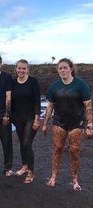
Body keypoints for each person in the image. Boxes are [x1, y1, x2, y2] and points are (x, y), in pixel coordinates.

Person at [42, 58, 93, 191]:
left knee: (74, 151)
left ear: (71, 69)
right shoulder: (54, 86)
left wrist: (90, 125)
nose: (63, 70)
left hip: (77, 123)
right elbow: (50, 106)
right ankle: (53, 177)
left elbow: (87, 106)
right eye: (60, 68)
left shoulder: (81, 85)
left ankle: (75, 180)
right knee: (57, 149)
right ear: (58, 70)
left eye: (65, 67)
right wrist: (45, 123)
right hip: (59, 122)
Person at [11, 59, 40, 183]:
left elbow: (37, 101)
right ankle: (24, 166)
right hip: (17, 119)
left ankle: (31, 172)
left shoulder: (33, 82)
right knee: (22, 142)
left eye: (24, 68)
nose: (21, 70)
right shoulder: (13, 83)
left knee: (26, 143)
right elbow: (10, 101)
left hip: (30, 118)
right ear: (16, 69)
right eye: (19, 68)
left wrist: (37, 119)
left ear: (27, 69)